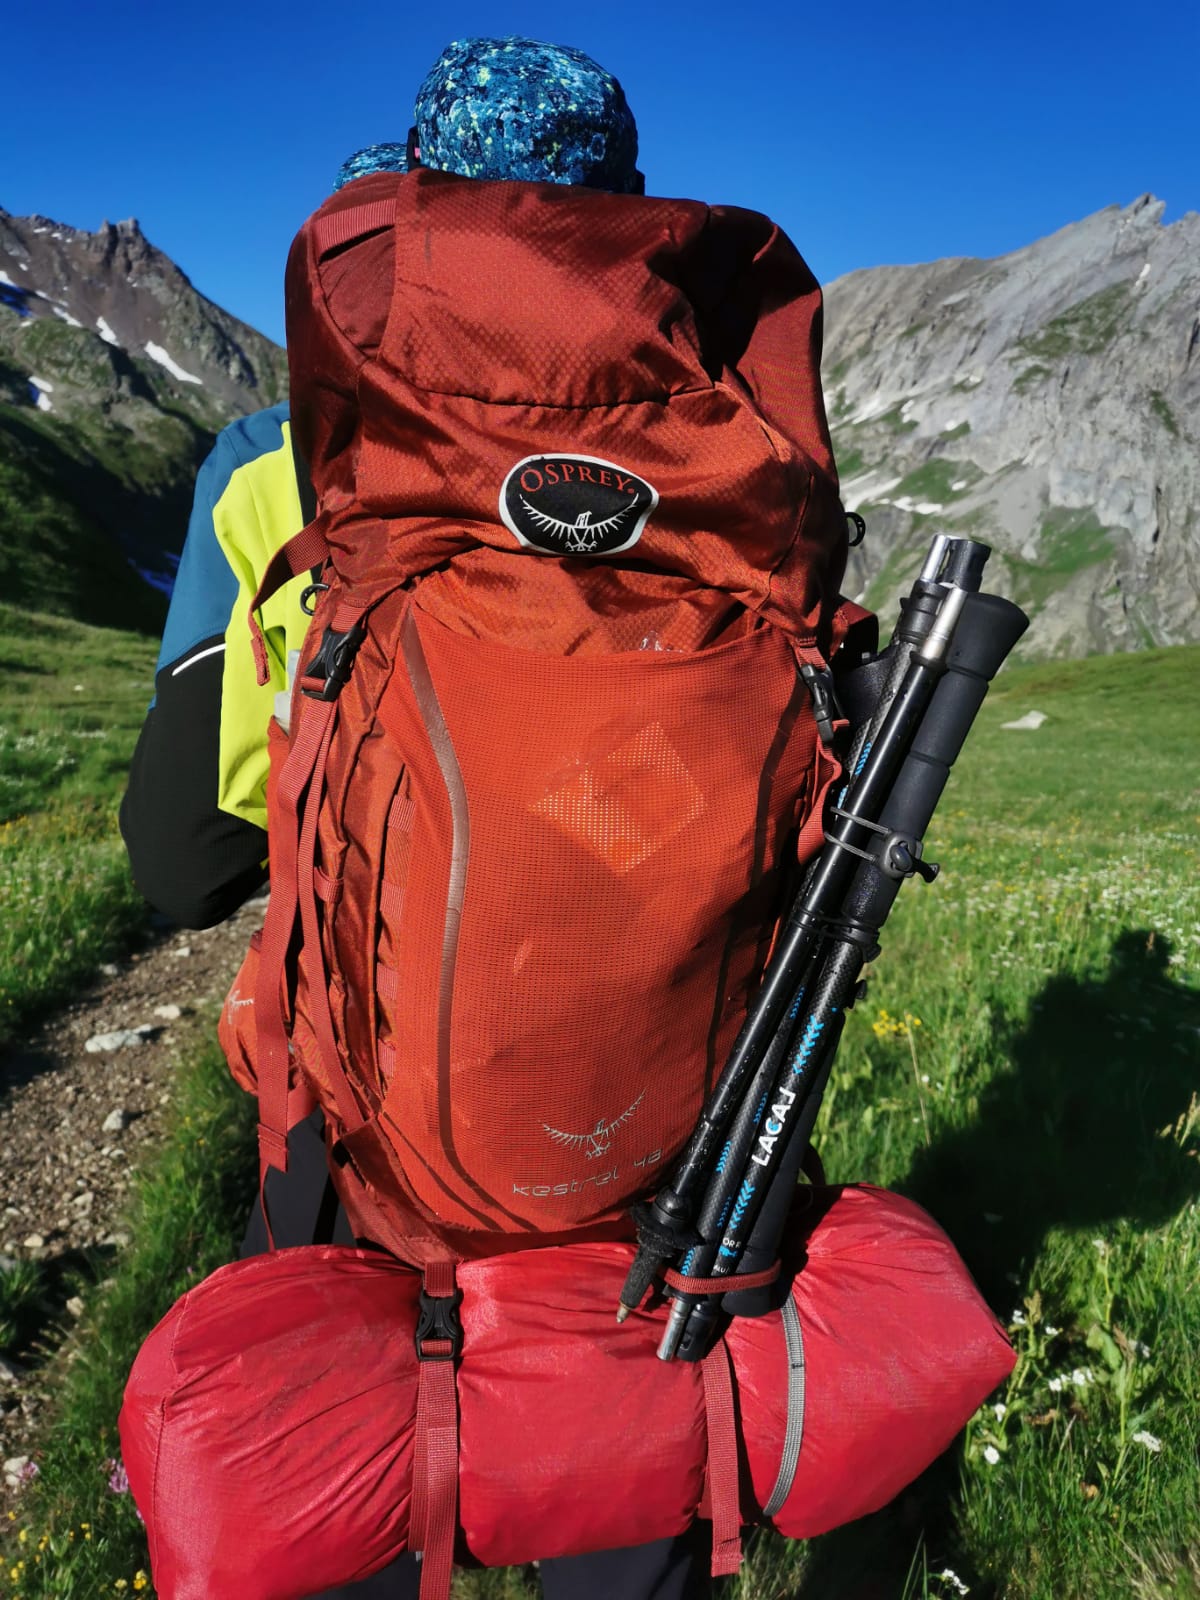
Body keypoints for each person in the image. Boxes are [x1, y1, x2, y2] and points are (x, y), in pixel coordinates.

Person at [122, 39, 719, 1600]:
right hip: (651, 1140)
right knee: (621, 1508)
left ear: (409, 214)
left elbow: (180, 865)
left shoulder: (274, 470)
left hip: (361, 1142)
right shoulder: (737, 477)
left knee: (351, 1516)